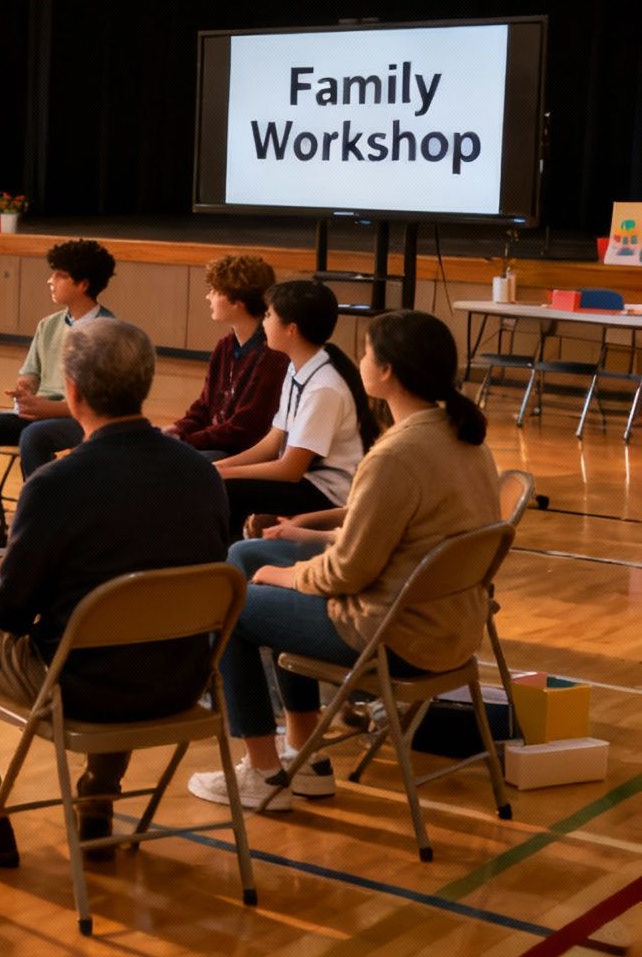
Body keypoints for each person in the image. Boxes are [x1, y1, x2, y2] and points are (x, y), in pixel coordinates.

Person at [0, 319, 229, 865]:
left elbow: (8, 616)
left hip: (81, 690)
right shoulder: (201, 475)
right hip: (181, 678)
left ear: (74, 391)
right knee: (134, 621)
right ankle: (96, 803)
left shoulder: (56, 485)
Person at [188, 309, 501, 811]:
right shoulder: (461, 435)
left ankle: (263, 774)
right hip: (450, 625)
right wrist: (301, 534)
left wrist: (287, 574)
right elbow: (391, 536)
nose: (359, 361)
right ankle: (306, 755)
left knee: (235, 606)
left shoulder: (396, 454)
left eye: (366, 353)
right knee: (246, 553)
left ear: (388, 371)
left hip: (394, 633)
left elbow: (347, 572)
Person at [0, 239, 118, 558]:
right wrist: (24, 389)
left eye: (59, 275)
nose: (51, 281)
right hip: (42, 412)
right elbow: (31, 373)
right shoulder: (48, 325)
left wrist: (46, 409)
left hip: (84, 421)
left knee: (35, 436)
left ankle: (43, 530)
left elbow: (98, 405)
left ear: (82, 284)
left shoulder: (108, 332)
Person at [214, 279, 380, 539]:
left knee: (228, 491)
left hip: (328, 493)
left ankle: (229, 567)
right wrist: (220, 467)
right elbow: (272, 442)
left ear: (291, 329)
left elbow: (291, 470)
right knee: (215, 473)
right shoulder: (298, 366)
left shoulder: (324, 388)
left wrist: (225, 474)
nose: (264, 323)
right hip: (306, 480)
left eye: (269, 315)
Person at [166, 254, 288, 460]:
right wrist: (176, 429)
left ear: (237, 302)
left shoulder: (273, 356)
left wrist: (185, 441)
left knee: (177, 462)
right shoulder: (225, 346)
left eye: (215, 291)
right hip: (217, 444)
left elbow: (244, 430)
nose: (208, 297)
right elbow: (204, 407)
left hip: (242, 455)